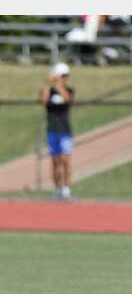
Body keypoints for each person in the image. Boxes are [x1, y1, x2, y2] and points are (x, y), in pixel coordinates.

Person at [39, 62, 75, 201]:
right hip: (52, 129)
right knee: (55, 161)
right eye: (61, 76)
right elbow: (43, 100)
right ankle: (57, 189)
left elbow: (67, 99)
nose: (63, 78)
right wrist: (48, 84)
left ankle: (66, 189)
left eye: (64, 76)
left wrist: (59, 84)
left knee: (65, 160)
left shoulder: (69, 90)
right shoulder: (48, 90)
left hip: (65, 130)